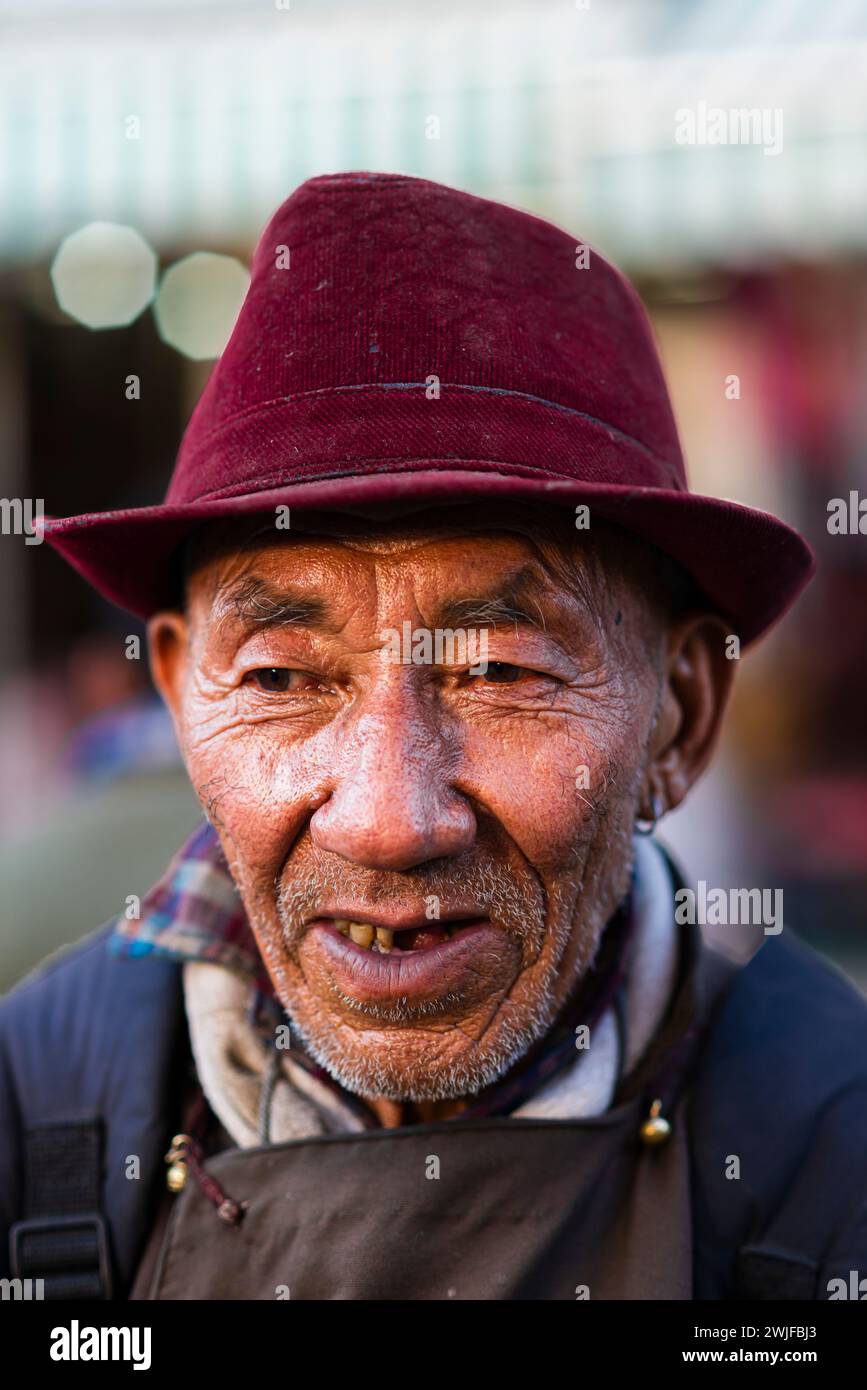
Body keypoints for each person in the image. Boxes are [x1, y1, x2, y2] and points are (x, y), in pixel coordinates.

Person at [3, 172, 866, 1302]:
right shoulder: (37, 1106)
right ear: (178, 691)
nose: (388, 817)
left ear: (680, 714)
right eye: (281, 677)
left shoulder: (829, 1142)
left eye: (501, 669)